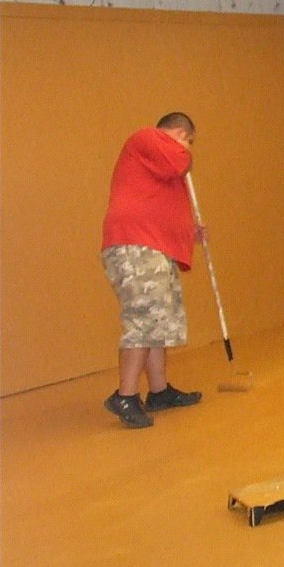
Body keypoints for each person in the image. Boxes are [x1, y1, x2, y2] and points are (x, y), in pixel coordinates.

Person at [100, 112, 204, 428]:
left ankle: (158, 392)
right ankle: (125, 395)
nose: (188, 148)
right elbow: (178, 161)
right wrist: (183, 147)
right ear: (176, 132)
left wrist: (187, 232)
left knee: (158, 321)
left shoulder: (157, 163)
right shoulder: (146, 138)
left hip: (153, 247)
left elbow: (158, 203)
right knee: (144, 319)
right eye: (188, 139)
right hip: (136, 245)